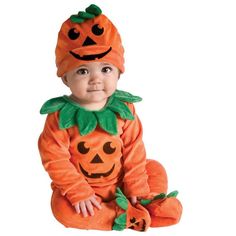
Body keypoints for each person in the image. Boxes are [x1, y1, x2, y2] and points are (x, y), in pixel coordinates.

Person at [38, 4, 182, 231]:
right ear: (65, 78)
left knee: (154, 168)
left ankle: (146, 200)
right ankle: (124, 216)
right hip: (85, 190)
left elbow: (134, 148)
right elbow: (54, 158)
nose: (96, 79)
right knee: (61, 209)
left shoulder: (124, 109)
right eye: (83, 71)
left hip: (123, 181)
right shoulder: (59, 117)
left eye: (106, 69)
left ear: (119, 72)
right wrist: (78, 191)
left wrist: (136, 186)